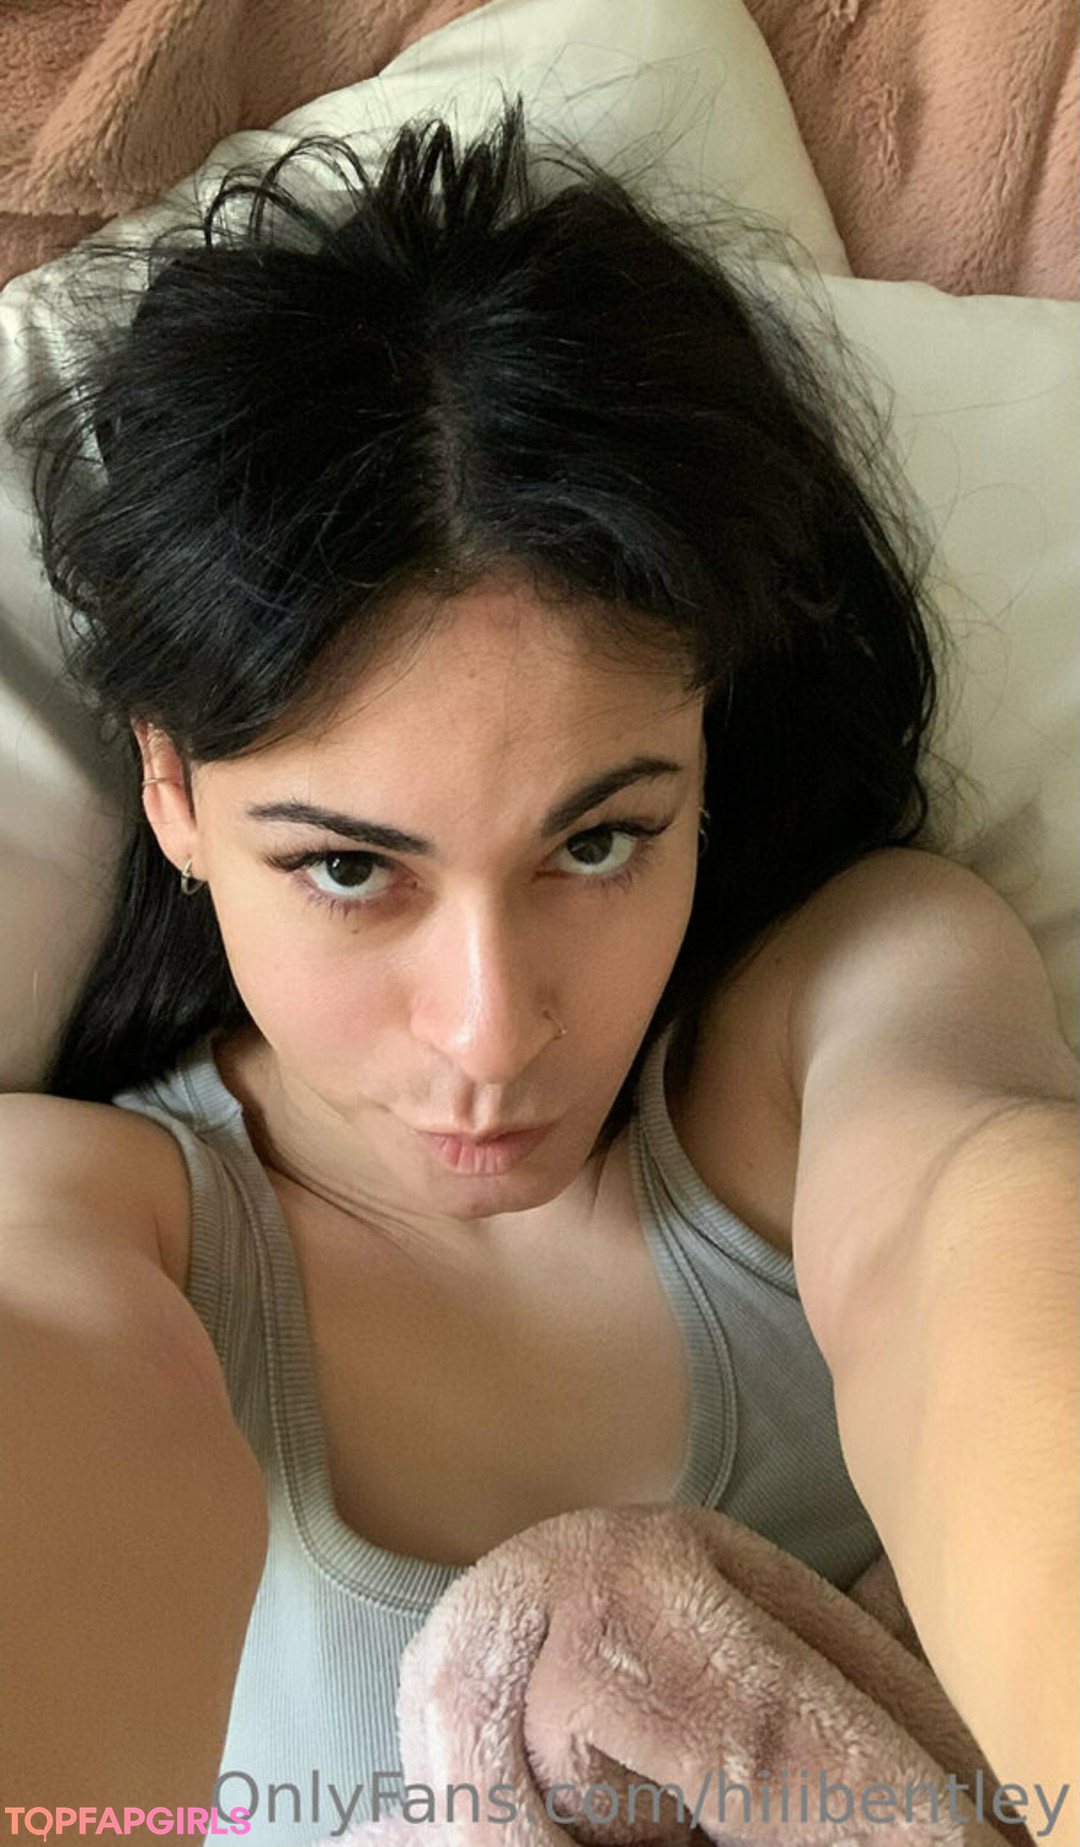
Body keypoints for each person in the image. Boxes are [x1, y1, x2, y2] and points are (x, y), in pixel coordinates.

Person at [1, 101, 1075, 1842]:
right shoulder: (77, 1232)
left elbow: (983, 1227)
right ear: (173, 791)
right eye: (350, 869)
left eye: (598, 842)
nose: (493, 1032)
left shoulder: (855, 1006)